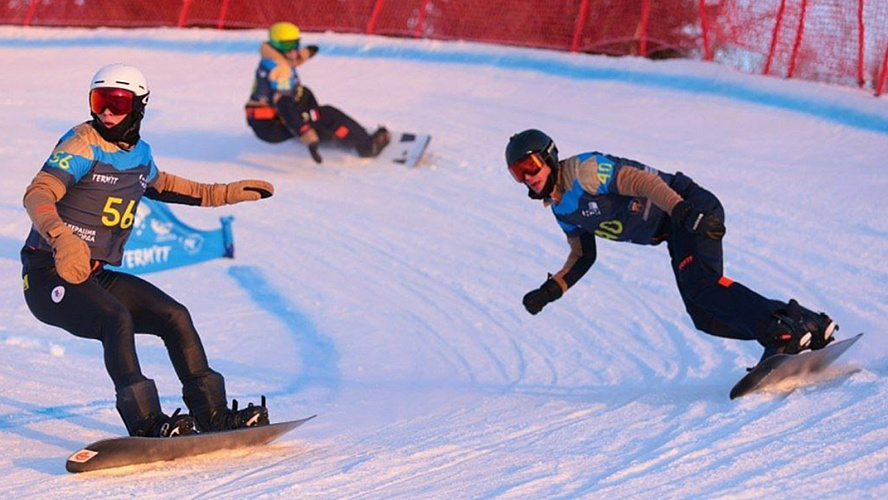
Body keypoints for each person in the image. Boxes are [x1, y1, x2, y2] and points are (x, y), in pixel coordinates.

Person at [21, 63, 275, 438]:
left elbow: (168, 185)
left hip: (93, 274)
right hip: (48, 275)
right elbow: (38, 193)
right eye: (99, 100)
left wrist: (226, 192)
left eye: (117, 102)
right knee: (115, 317)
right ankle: (145, 421)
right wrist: (61, 236)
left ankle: (213, 413)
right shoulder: (81, 144)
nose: (106, 111)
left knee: (174, 315)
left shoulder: (139, 156)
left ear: (139, 106)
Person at [505, 129, 838, 363]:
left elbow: (643, 181)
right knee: (705, 317)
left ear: (550, 158)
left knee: (703, 287)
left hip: (689, 207)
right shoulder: (561, 208)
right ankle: (806, 323)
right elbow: (583, 255)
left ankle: (779, 332)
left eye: (531, 166)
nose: (528, 177)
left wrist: (685, 213)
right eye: (518, 173)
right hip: (675, 227)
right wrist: (551, 290)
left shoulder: (585, 171)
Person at [245, 21, 390, 164]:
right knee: (328, 113)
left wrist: (306, 53)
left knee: (304, 94)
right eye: (286, 45)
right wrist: (305, 132)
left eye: (295, 44)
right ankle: (367, 147)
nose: (293, 50)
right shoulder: (281, 71)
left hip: (262, 120)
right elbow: (285, 106)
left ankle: (320, 130)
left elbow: (290, 60)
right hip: (272, 127)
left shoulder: (271, 57)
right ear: (275, 44)